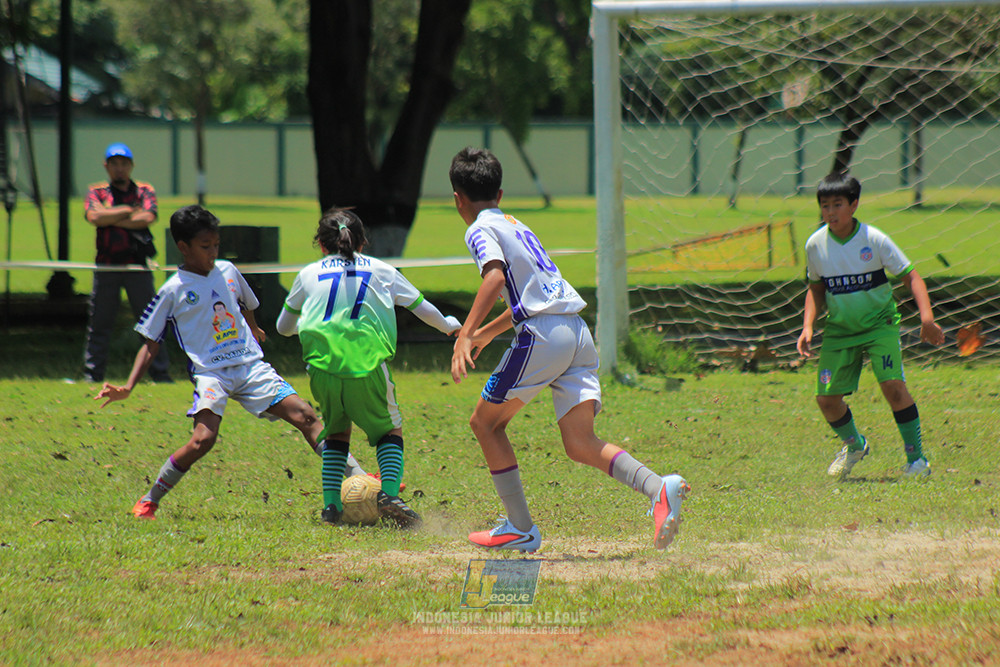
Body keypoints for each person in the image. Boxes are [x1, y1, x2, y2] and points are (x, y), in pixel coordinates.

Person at [448, 147, 689, 553]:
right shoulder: (516, 224)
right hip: (576, 331)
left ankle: (520, 528)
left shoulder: (477, 229)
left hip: (543, 336)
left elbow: (494, 279)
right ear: (500, 194)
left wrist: (465, 333)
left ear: (458, 199)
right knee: (579, 442)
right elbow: (533, 295)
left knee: (485, 424)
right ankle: (658, 488)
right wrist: (486, 333)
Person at [95, 204, 363, 519]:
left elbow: (246, 302)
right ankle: (150, 499)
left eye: (216, 245)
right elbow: (150, 343)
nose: (213, 252)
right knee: (202, 441)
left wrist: (252, 327)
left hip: (250, 366)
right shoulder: (172, 290)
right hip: (211, 375)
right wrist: (128, 386)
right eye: (205, 246)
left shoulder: (228, 271)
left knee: (305, 415)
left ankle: (359, 479)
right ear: (183, 247)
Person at [276, 208, 461, 528]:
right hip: (367, 366)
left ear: (321, 244)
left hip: (322, 369)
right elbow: (422, 307)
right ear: (362, 242)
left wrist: (305, 324)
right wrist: (449, 326)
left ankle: (331, 508)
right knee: (390, 430)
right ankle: (389, 495)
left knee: (335, 433)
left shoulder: (308, 274)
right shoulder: (382, 270)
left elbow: (283, 327)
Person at [797, 172, 945, 479]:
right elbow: (816, 288)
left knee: (893, 386)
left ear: (854, 205)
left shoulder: (873, 240)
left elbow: (912, 277)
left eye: (837, 204)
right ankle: (855, 445)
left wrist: (926, 318)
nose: (830, 212)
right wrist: (807, 326)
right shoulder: (815, 245)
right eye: (825, 206)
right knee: (826, 399)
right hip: (840, 330)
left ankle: (916, 460)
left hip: (880, 325)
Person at [83, 142, 171, 384]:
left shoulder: (144, 190)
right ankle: (92, 374)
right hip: (106, 266)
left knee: (151, 324)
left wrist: (110, 218)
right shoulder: (97, 191)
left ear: (131, 166)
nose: (119, 169)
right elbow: (94, 216)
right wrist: (127, 211)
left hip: (137, 267)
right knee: (99, 323)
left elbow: (148, 217)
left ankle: (160, 374)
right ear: (106, 166)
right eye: (114, 164)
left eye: (124, 164)